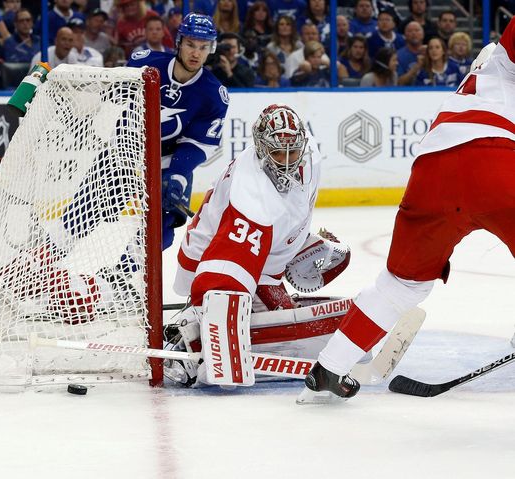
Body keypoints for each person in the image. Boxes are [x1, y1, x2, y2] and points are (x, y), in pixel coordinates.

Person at [299, 17, 515, 403]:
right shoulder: (504, 61)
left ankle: (329, 368)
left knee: (401, 284)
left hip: (433, 168)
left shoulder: (477, 83)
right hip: (494, 162)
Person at [167, 104, 350, 387]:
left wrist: (299, 244)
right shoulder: (251, 195)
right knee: (255, 314)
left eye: (293, 152)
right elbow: (225, 269)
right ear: (262, 149)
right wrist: (218, 340)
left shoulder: (308, 152)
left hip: (261, 255)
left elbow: (287, 213)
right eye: (278, 153)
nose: (288, 161)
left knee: (280, 312)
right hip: (208, 257)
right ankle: (187, 332)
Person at [128, 13, 229, 250]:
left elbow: (198, 143)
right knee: (87, 207)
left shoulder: (213, 94)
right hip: (126, 148)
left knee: (164, 221)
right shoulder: (143, 65)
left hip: (168, 157)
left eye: (203, 47)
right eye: (191, 45)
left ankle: (127, 273)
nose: (196, 53)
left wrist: (178, 173)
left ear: (210, 49)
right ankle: (47, 257)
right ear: (179, 43)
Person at [396, 21, 426, 86]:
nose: (413, 33)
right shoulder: (398, 55)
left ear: (423, 34)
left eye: (417, 30)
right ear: (405, 35)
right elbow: (399, 82)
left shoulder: (431, 52)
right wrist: (417, 66)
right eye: (410, 31)